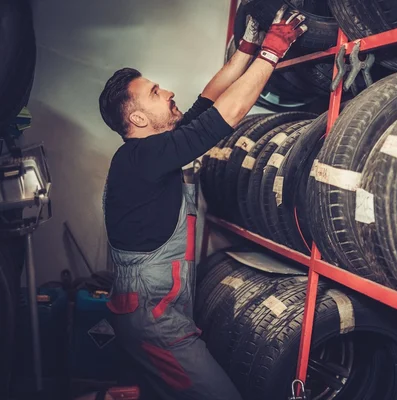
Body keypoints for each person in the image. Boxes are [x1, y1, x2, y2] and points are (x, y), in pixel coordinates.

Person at [98, 7, 307, 400]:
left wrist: (246, 49)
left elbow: (208, 103)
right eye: (157, 93)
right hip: (154, 319)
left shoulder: (150, 152)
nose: (169, 92)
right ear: (140, 119)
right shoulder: (143, 158)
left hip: (152, 309)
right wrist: (273, 51)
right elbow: (226, 115)